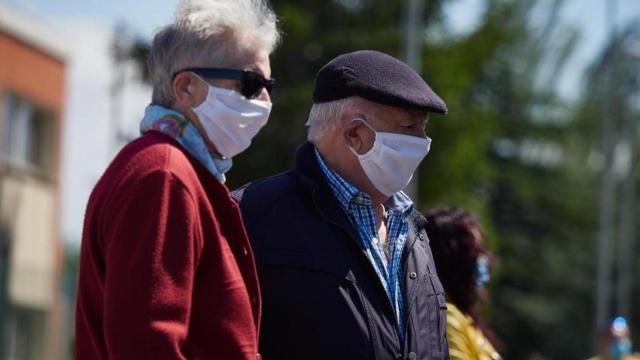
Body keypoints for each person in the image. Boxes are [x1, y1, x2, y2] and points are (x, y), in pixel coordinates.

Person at [75, 1, 279, 359]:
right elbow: (149, 344)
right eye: (250, 83)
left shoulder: (176, 171)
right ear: (185, 88)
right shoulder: (164, 175)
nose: (264, 100)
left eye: (268, 85)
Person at [233, 50, 449, 360]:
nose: (423, 142)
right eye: (409, 128)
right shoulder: (251, 215)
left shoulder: (414, 233)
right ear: (355, 134)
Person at [424, 207, 502, 360]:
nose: (484, 258)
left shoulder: (463, 319)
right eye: (475, 250)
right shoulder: (447, 317)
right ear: (450, 260)